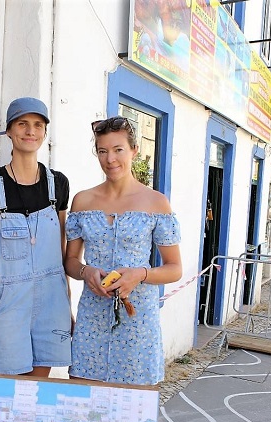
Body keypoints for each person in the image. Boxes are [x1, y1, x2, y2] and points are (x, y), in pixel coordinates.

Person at [64, 116, 182, 385]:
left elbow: (174, 268)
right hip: (91, 320)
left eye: (118, 150)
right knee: (84, 408)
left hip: (138, 321)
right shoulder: (83, 200)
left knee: (131, 416)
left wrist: (139, 274)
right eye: (102, 151)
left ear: (134, 151)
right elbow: (70, 261)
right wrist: (86, 271)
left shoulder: (156, 203)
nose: (110, 159)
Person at [0, 97, 71, 391]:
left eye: (38, 125)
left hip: (51, 298)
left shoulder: (58, 184)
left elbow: (62, 249)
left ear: (44, 132)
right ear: (9, 131)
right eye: (22, 124)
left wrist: (67, 304)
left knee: (33, 391)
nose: (30, 131)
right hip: (5, 297)